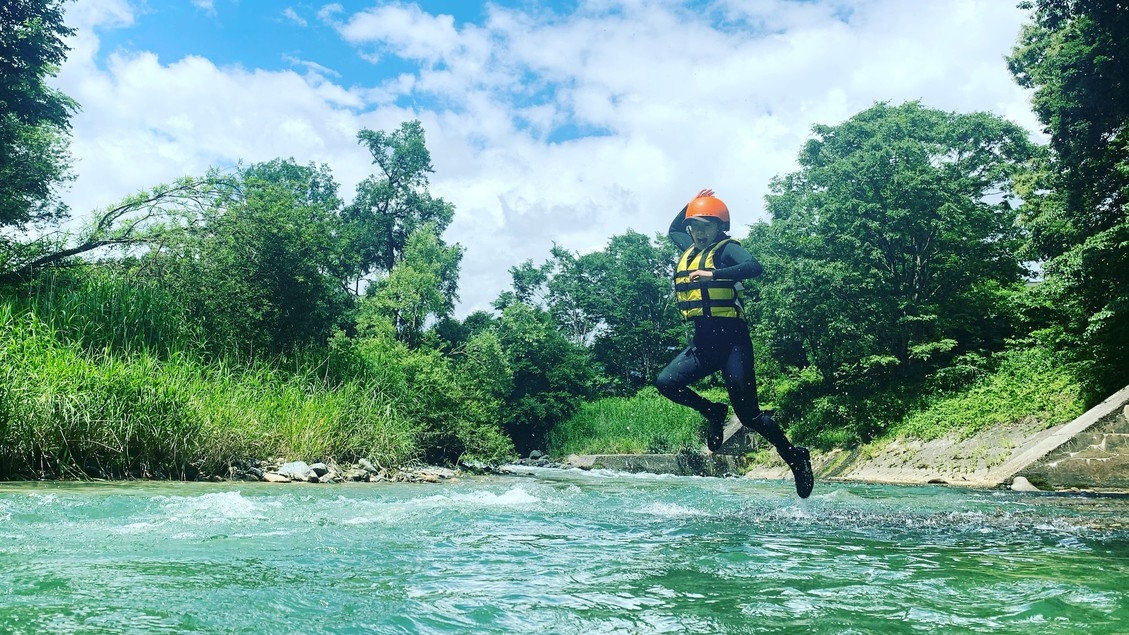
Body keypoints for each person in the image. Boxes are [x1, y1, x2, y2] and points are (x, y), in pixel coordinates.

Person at [656, 188, 814, 498]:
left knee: (749, 415)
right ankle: (713, 412)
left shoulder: (727, 250)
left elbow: (755, 267)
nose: (699, 233)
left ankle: (795, 456)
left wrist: (713, 276)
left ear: (719, 227)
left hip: (732, 344)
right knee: (666, 382)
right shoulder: (688, 245)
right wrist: (691, 202)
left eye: (706, 226)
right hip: (702, 345)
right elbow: (674, 228)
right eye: (695, 227)